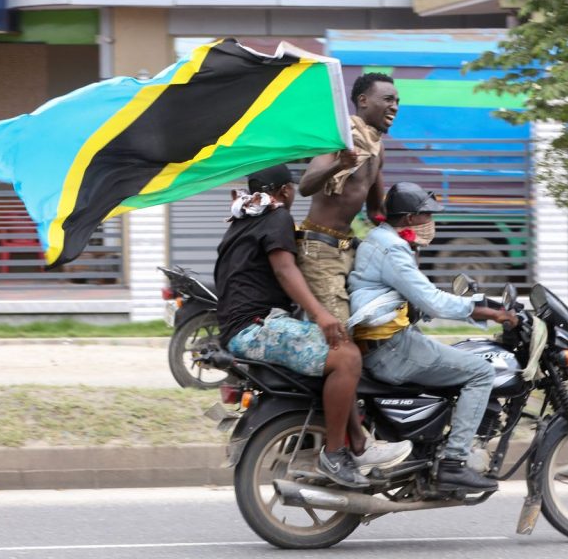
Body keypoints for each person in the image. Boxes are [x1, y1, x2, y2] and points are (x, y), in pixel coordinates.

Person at [214, 165, 407, 488]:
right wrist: (321, 314)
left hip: (245, 327)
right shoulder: (276, 218)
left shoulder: (242, 220)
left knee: (338, 355)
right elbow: (285, 270)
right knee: (346, 356)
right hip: (256, 329)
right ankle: (336, 453)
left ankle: (358, 442)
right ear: (287, 191)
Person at [347, 182, 519, 493]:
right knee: (481, 371)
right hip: (391, 348)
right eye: (427, 215)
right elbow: (434, 302)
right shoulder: (392, 248)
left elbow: (415, 299)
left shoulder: (382, 239)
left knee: (458, 359)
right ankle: (453, 463)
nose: (431, 222)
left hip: (386, 342)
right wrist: (488, 311)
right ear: (411, 219)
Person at [296, 72, 399, 324]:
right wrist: (338, 164)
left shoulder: (377, 147)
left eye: (397, 101)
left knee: (375, 320)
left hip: (348, 249)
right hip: (319, 250)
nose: (394, 107)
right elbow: (306, 186)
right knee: (339, 335)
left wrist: (406, 234)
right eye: (387, 99)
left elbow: (376, 211)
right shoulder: (340, 138)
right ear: (363, 101)